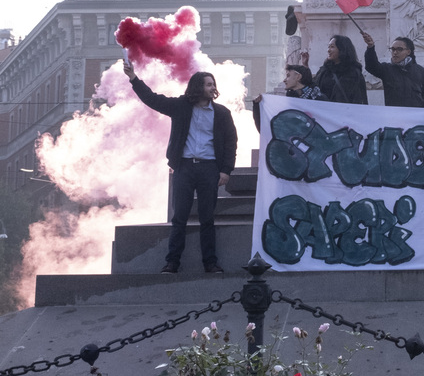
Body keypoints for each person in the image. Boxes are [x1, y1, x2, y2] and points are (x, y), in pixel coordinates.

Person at [123, 62, 237, 274]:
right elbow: (152, 99)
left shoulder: (222, 113)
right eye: (208, 84)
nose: (213, 88)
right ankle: (172, 262)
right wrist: (133, 78)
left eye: (213, 84)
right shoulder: (181, 106)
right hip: (184, 168)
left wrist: (226, 170)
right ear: (197, 87)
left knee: (207, 218)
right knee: (179, 217)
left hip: (209, 169)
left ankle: (210, 263)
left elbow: (231, 142)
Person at [361, 32, 424, 108]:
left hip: (415, 113)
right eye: (393, 49)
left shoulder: (419, 70)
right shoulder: (387, 69)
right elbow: (371, 66)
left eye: (399, 49)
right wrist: (370, 47)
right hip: (394, 114)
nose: (395, 52)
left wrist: (422, 104)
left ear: (408, 52)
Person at [251, 64, 326, 131]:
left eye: (288, 76)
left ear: (298, 77)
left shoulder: (320, 100)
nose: (284, 80)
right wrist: (257, 106)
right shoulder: (286, 103)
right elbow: (269, 130)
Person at [307, 35, 368, 104]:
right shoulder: (324, 70)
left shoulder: (353, 73)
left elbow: (359, 99)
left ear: (342, 49)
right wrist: (305, 66)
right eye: (328, 47)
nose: (328, 50)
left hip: (344, 110)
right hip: (322, 109)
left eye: (332, 47)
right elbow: (313, 90)